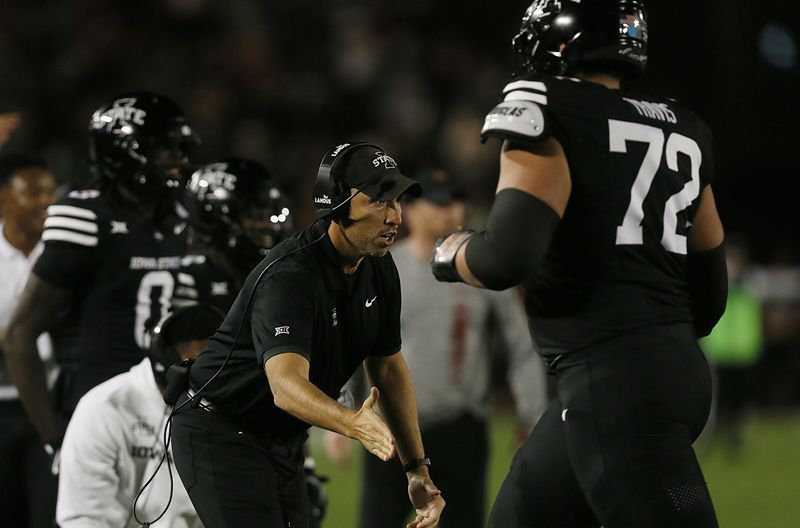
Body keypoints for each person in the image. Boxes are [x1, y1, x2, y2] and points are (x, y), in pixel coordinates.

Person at [431, 2, 727, 527]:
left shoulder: (549, 107)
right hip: (667, 370)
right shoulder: (682, 127)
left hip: (613, 384)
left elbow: (506, 257)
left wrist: (451, 253)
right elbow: (710, 284)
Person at [170, 142, 445, 528]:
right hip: (220, 431)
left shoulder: (378, 267)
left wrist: (417, 468)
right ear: (336, 204)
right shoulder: (290, 276)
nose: (395, 216)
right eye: (379, 201)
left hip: (281, 437)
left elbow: (388, 366)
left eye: (397, 200)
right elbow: (285, 385)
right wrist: (352, 422)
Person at [345, 167, 547, 528]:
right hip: (391, 432)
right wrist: (344, 413)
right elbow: (350, 343)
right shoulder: (382, 266)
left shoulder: (482, 267)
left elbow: (520, 344)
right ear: (412, 209)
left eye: (456, 201)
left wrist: (531, 413)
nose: (451, 211)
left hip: (461, 428)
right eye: (440, 203)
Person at [5, 92, 196, 464]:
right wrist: (56, 438)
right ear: (124, 151)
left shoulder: (176, 214)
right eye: (163, 149)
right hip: (92, 406)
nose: (177, 159)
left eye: (179, 148)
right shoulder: (84, 214)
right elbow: (20, 335)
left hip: (159, 405)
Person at [56, 303, 223, 528]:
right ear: (165, 361)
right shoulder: (103, 409)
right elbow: (84, 517)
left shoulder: (226, 409)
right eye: (195, 362)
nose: (208, 371)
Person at [0, 153, 57, 528]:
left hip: (48, 404)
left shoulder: (63, 253)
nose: (46, 203)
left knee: (48, 514)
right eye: (33, 193)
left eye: (51, 193)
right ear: (5, 198)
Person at [173, 157, 294, 312]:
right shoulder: (191, 278)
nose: (270, 225)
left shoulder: (277, 276)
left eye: (272, 214)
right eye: (254, 215)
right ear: (214, 216)